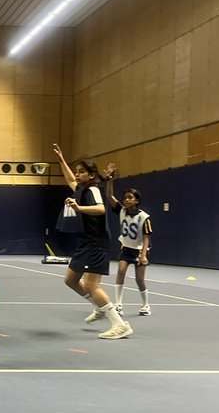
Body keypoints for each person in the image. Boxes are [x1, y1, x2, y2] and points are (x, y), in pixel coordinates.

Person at [51, 144, 132, 339]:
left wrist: (79, 208)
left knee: (91, 285)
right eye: (77, 171)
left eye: (81, 172)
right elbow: (70, 179)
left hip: (96, 242)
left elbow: (101, 209)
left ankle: (119, 325)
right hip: (85, 242)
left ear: (91, 174)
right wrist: (61, 160)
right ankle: (99, 306)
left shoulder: (93, 189)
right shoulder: (81, 187)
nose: (77, 175)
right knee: (70, 280)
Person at [106, 172, 153, 316]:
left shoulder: (144, 217)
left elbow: (146, 237)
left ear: (137, 200)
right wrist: (109, 180)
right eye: (125, 198)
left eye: (130, 198)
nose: (126, 200)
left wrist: (143, 255)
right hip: (126, 249)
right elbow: (109, 197)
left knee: (139, 279)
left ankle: (145, 305)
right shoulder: (122, 211)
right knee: (120, 272)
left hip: (139, 251)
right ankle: (118, 304)